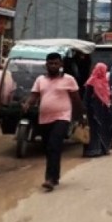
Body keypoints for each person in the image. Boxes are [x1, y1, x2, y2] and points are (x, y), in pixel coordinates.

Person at [21, 52, 84, 191]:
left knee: (54, 146)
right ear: (46, 65)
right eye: (50, 63)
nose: (53, 65)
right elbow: (34, 95)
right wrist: (27, 103)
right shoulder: (40, 80)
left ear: (61, 64)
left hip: (62, 117)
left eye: (56, 63)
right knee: (48, 148)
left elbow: (76, 99)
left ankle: (50, 178)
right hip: (44, 119)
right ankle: (54, 176)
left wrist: (80, 116)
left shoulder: (69, 79)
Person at [82, 62, 112, 157]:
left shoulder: (105, 81)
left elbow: (107, 96)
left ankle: (103, 148)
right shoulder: (91, 81)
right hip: (93, 110)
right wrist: (85, 110)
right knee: (93, 130)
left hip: (103, 110)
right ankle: (93, 150)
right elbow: (86, 97)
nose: (103, 72)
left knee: (103, 129)